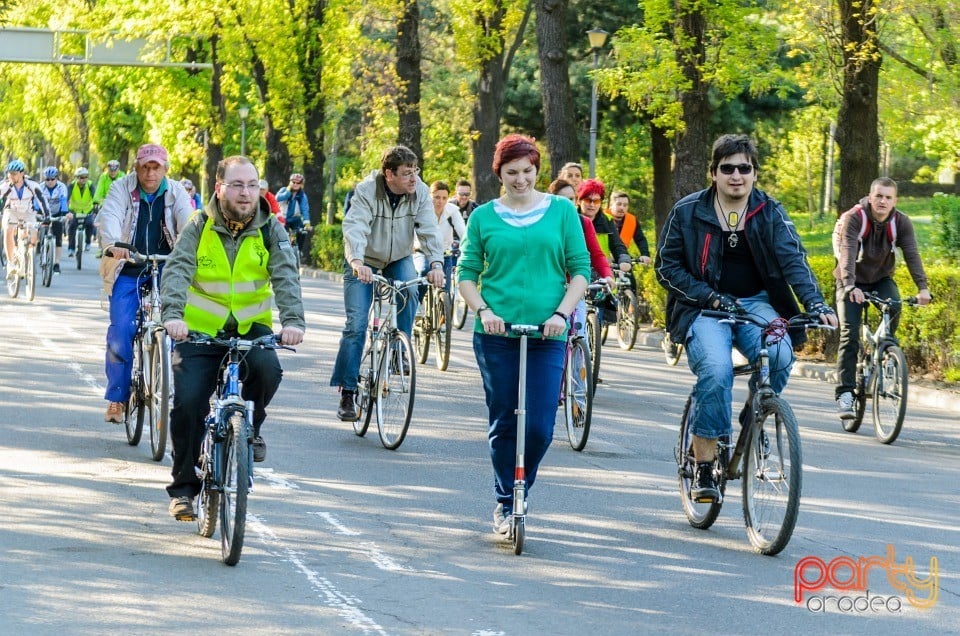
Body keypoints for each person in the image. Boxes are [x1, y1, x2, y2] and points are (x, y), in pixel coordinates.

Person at [655, 133, 837, 502]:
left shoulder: (768, 210)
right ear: (713, 173)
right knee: (717, 371)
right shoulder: (688, 211)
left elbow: (793, 260)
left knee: (782, 354)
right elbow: (666, 267)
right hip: (704, 308)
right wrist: (708, 295)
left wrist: (816, 305)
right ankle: (704, 465)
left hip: (756, 303)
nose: (736, 175)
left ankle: (754, 414)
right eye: (727, 168)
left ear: (754, 173)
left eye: (744, 168)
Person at [457, 134, 590, 535]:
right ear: (499, 173)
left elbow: (580, 268)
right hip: (497, 333)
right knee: (504, 421)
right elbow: (465, 274)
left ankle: (522, 487)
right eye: (512, 172)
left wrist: (560, 314)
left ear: (537, 170)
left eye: (528, 171)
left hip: (547, 334)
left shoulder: (562, 211)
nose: (520, 180)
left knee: (537, 427)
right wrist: (484, 310)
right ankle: (505, 499)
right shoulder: (483, 217)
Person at [160, 155, 305, 520]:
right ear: (220, 187)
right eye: (237, 185)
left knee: (268, 369)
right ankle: (183, 490)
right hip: (199, 330)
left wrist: (293, 321)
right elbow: (177, 270)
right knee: (189, 403)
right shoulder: (198, 225)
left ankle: (251, 428)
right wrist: (173, 316)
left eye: (252, 185)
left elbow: (286, 275)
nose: (246, 193)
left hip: (250, 326)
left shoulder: (271, 228)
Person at [329, 144, 445, 421]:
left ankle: (397, 349)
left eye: (415, 171)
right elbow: (355, 226)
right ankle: (347, 390)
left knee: (411, 289)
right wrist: (357, 262)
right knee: (356, 325)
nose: (413, 178)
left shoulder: (420, 192)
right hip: (364, 259)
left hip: (398, 257)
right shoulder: (368, 190)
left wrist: (437, 264)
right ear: (389, 174)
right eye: (407, 173)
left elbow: (428, 229)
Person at [98, 143, 194, 424]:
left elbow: (188, 220)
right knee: (121, 330)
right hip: (128, 266)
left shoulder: (176, 191)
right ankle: (117, 398)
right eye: (145, 167)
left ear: (165, 169)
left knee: (180, 326)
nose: (150, 173)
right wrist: (115, 244)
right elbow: (110, 215)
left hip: (168, 266)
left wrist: (189, 246)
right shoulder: (121, 189)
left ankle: (180, 394)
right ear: (137, 168)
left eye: (156, 168)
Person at [833, 177, 931, 419]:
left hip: (880, 279)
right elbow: (847, 253)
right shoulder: (855, 218)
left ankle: (886, 353)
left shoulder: (901, 222)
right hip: (850, 280)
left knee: (895, 304)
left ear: (895, 201)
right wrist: (849, 285)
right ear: (870, 196)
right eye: (879, 196)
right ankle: (845, 393)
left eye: (888, 197)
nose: (883, 201)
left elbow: (912, 255)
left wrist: (923, 288)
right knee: (850, 333)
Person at [413, 180, 466, 299]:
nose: (440, 201)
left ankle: (444, 311)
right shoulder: (421, 210)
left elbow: (463, 233)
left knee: (446, 287)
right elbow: (410, 229)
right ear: (430, 196)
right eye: (436, 197)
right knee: (423, 271)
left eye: (444, 198)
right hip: (422, 252)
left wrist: (468, 246)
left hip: (444, 253)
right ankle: (417, 302)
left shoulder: (452, 211)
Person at [2, 160, 47, 278]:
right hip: (11, 211)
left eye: (14, 173)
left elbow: (42, 201)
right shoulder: (6, 185)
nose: (11, 176)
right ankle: (11, 263)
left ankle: (27, 257)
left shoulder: (32, 185)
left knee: (33, 236)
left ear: (22, 174)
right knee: (8, 229)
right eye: (9, 173)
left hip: (28, 212)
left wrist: (47, 216)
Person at [607, 191, 651, 265]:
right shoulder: (602, 218)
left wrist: (645, 254)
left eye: (625, 205)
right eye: (619, 204)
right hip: (602, 260)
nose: (622, 208)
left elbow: (640, 239)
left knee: (629, 276)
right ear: (611, 205)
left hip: (623, 258)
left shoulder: (632, 220)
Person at [40, 166, 69, 273]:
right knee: (41, 233)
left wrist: (65, 214)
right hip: (44, 213)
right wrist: (36, 212)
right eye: (47, 179)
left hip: (57, 213)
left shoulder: (62, 187)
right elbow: (37, 203)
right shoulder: (41, 187)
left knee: (58, 238)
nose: (50, 181)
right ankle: (41, 249)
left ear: (56, 178)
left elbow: (63, 201)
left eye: (52, 179)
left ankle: (56, 263)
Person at [276, 172, 309, 256]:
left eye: (298, 183)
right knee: (283, 236)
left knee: (303, 232)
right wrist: (288, 192)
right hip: (283, 218)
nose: (295, 184)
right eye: (293, 182)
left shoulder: (302, 196)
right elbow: (277, 198)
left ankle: (299, 250)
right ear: (290, 182)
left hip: (295, 218)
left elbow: (305, 209)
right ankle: (282, 253)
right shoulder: (284, 190)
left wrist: (307, 223)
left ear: (301, 185)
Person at [66, 167, 96, 255]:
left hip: (87, 210)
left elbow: (95, 197)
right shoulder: (71, 186)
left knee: (90, 224)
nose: (84, 179)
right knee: (71, 227)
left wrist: (95, 208)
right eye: (81, 177)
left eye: (86, 177)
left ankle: (88, 242)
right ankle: (71, 248)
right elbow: (66, 198)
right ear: (76, 178)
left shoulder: (90, 185)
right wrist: (67, 211)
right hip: (74, 211)